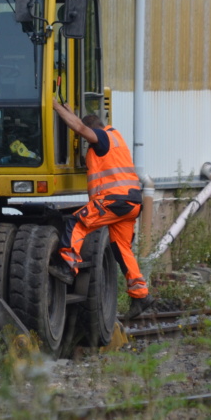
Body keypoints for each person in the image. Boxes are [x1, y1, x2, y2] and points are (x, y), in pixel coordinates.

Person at [52, 101, 154, 319]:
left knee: (76, 223)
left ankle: (67, 267)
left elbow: (80, 128)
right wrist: (70, 111)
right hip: (130, 203)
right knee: (121, 249)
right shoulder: (116, 137)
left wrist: (54, 106)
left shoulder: (103, 138)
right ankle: (140, 295)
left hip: (114, 201)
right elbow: (81, 125)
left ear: (94, 131)